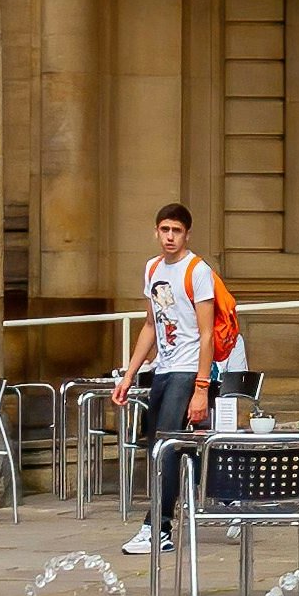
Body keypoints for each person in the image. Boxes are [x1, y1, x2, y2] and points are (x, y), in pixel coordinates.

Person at [109, 202, 227, 558]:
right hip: (163, 368)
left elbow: (206, 334)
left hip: (189, 370)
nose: (170, 237)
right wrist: (129, 375)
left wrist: (201, 388)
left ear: (187, 234)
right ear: (156, 231)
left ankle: (158, 527)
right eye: (165, 230)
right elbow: (151, 324)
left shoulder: (197, 270)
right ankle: (221, 495)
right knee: (158, 449)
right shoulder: (153, 268)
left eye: (176, 230)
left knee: (168, 449)